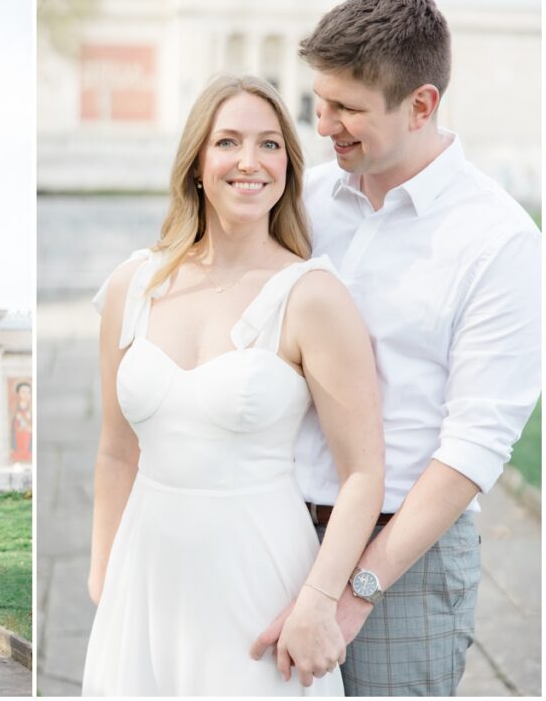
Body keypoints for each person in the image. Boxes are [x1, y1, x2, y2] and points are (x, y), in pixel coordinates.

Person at [249, 0, 542, 696]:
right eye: (319, 103)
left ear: (422, 104)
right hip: (272, 531)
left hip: (405, 565)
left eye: (349, 109)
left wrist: (347, 597)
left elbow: (473, 448)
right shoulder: (309, 202)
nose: (325, 126)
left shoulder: (499, 243)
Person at [82, 74, 385, 695]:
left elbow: (363, 473)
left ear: (288, 167)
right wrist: (103, 574)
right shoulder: (130, 286)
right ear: (197, 162)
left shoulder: (313, 296)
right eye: (228, 142)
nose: (249, 162)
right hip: (145, 579)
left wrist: (318, 602)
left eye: (269, 144)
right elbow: (116, 451)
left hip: (258, 580)